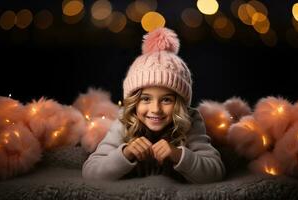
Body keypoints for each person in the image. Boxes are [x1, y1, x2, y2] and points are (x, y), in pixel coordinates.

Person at [82, 27, 225, 184]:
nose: (155, 109)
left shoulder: (190, 121)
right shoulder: (125, 121)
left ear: (180, 103)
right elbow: (91, 172)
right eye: (145, 99)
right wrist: (126, 153)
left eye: (166, 100)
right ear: (134, 101)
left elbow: (216, 171)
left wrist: (178, 154)